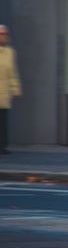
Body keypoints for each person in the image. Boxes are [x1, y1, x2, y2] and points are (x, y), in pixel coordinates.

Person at [0, 24, 20, 155]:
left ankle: (2, 146)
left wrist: (15, 89)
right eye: (1, 34)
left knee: (3, 121)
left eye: (5, 34)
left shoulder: (10, 52)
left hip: (4, 93)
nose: (4, 37)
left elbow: (13, 72)